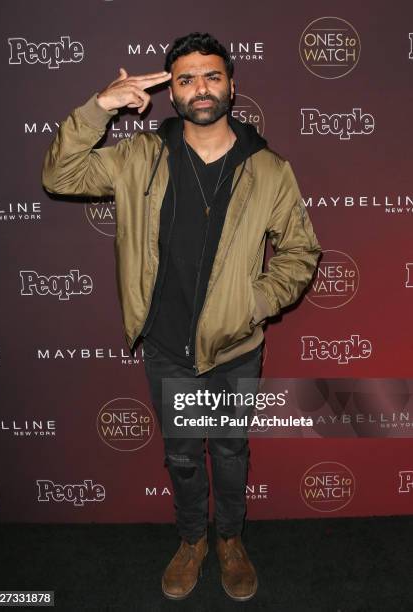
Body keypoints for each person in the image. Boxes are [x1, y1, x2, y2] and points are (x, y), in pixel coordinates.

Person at [42, 32, 322, 602]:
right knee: (181, 453)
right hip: (168, 345)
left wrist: (256, 302)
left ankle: (230, 540)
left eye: (212, 76)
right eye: (186, 78)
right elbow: (60, 176)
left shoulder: (268, 169)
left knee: (229, 450)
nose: (200, 88)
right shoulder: (138, 156)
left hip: (236, 347)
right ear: (172, 90)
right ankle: (192, 539)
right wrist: (100, 107)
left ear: (232, 85)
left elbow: (300, 252)